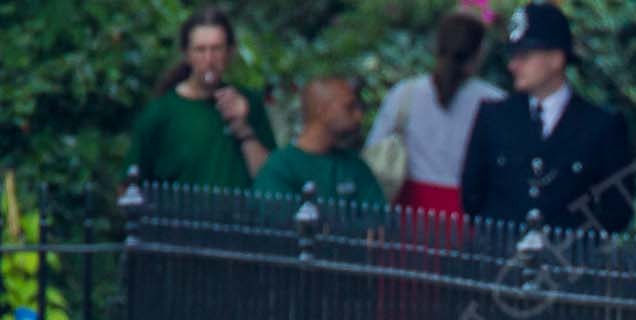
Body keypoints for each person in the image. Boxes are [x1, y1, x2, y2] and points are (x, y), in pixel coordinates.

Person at [459, 2, 635, 234]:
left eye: (525, 55)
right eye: (513, 55)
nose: (513, 65)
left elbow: (617, 210)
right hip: (500, 261)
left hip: (568, 265)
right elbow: (472, 197)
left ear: (555, 59)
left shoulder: (602, 127)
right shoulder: (493, 117)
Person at [366, 9, 503, 214]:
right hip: (465, 214)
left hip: (409, 212)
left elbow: (374, 147)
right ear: (480, 52)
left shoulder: (405, 93)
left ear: (436, 46)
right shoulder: (494, 101)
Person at [131, 7, 275, 190]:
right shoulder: (161, 112)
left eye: (216, 49)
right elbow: (131, 184)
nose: (209, 59)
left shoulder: (249, 103)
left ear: (229, 52)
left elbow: (271, 181)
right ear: (187, 54)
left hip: (238, 215)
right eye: (200, 50)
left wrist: (242, 128)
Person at [253, 78, 386, 207]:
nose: (358, 115)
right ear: (322, 110)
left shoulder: (354, 165)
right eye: (349, 107)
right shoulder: (280, 167)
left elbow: (380, 220)